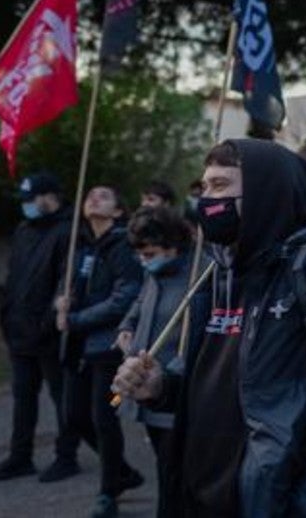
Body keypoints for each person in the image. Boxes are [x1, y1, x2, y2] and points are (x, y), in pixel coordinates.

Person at [113, 139, 306, 517]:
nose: (206, 201)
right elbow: (223, 380)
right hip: (212, 497)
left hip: (282, 501)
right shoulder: (220, 274)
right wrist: (162, 386)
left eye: (220, 186)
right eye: (203, 188)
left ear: (267, 193)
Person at [55, 185, 145, 518]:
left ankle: (108, 492)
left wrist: (76, 318)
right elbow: (70, 288)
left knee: (104, 419)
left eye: (105, 196)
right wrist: (62, 303)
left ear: (118, 211)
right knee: (75, 417)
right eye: (89, 195)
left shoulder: (122, 245)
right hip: (79, 348)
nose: (93, 198)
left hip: (107, 348)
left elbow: (124, 298)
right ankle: (123, 472)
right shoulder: (82, 246)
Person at [0, 172, 82, 482]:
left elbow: (66, 281)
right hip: (19, 329)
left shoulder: (69, 231)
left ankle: (66, 457)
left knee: (62, 397)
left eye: (32, 199)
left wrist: (49, 322)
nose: (27, 205)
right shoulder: (24, 229)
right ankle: (20, 456)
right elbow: (14, 276)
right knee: (23, 396)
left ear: (50, 196)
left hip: (50, 332)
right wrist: (7, 314)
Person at [115, 206, 194, 518]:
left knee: (176, 478)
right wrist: (126, 327)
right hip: (146, 392)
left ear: (175, 245)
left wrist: (172, 375)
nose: (144, 261)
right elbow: (138, 303)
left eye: (151, 253)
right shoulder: (154, 272)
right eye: (140, 255)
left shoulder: (196, 277)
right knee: (165, 470)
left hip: (176, 394)